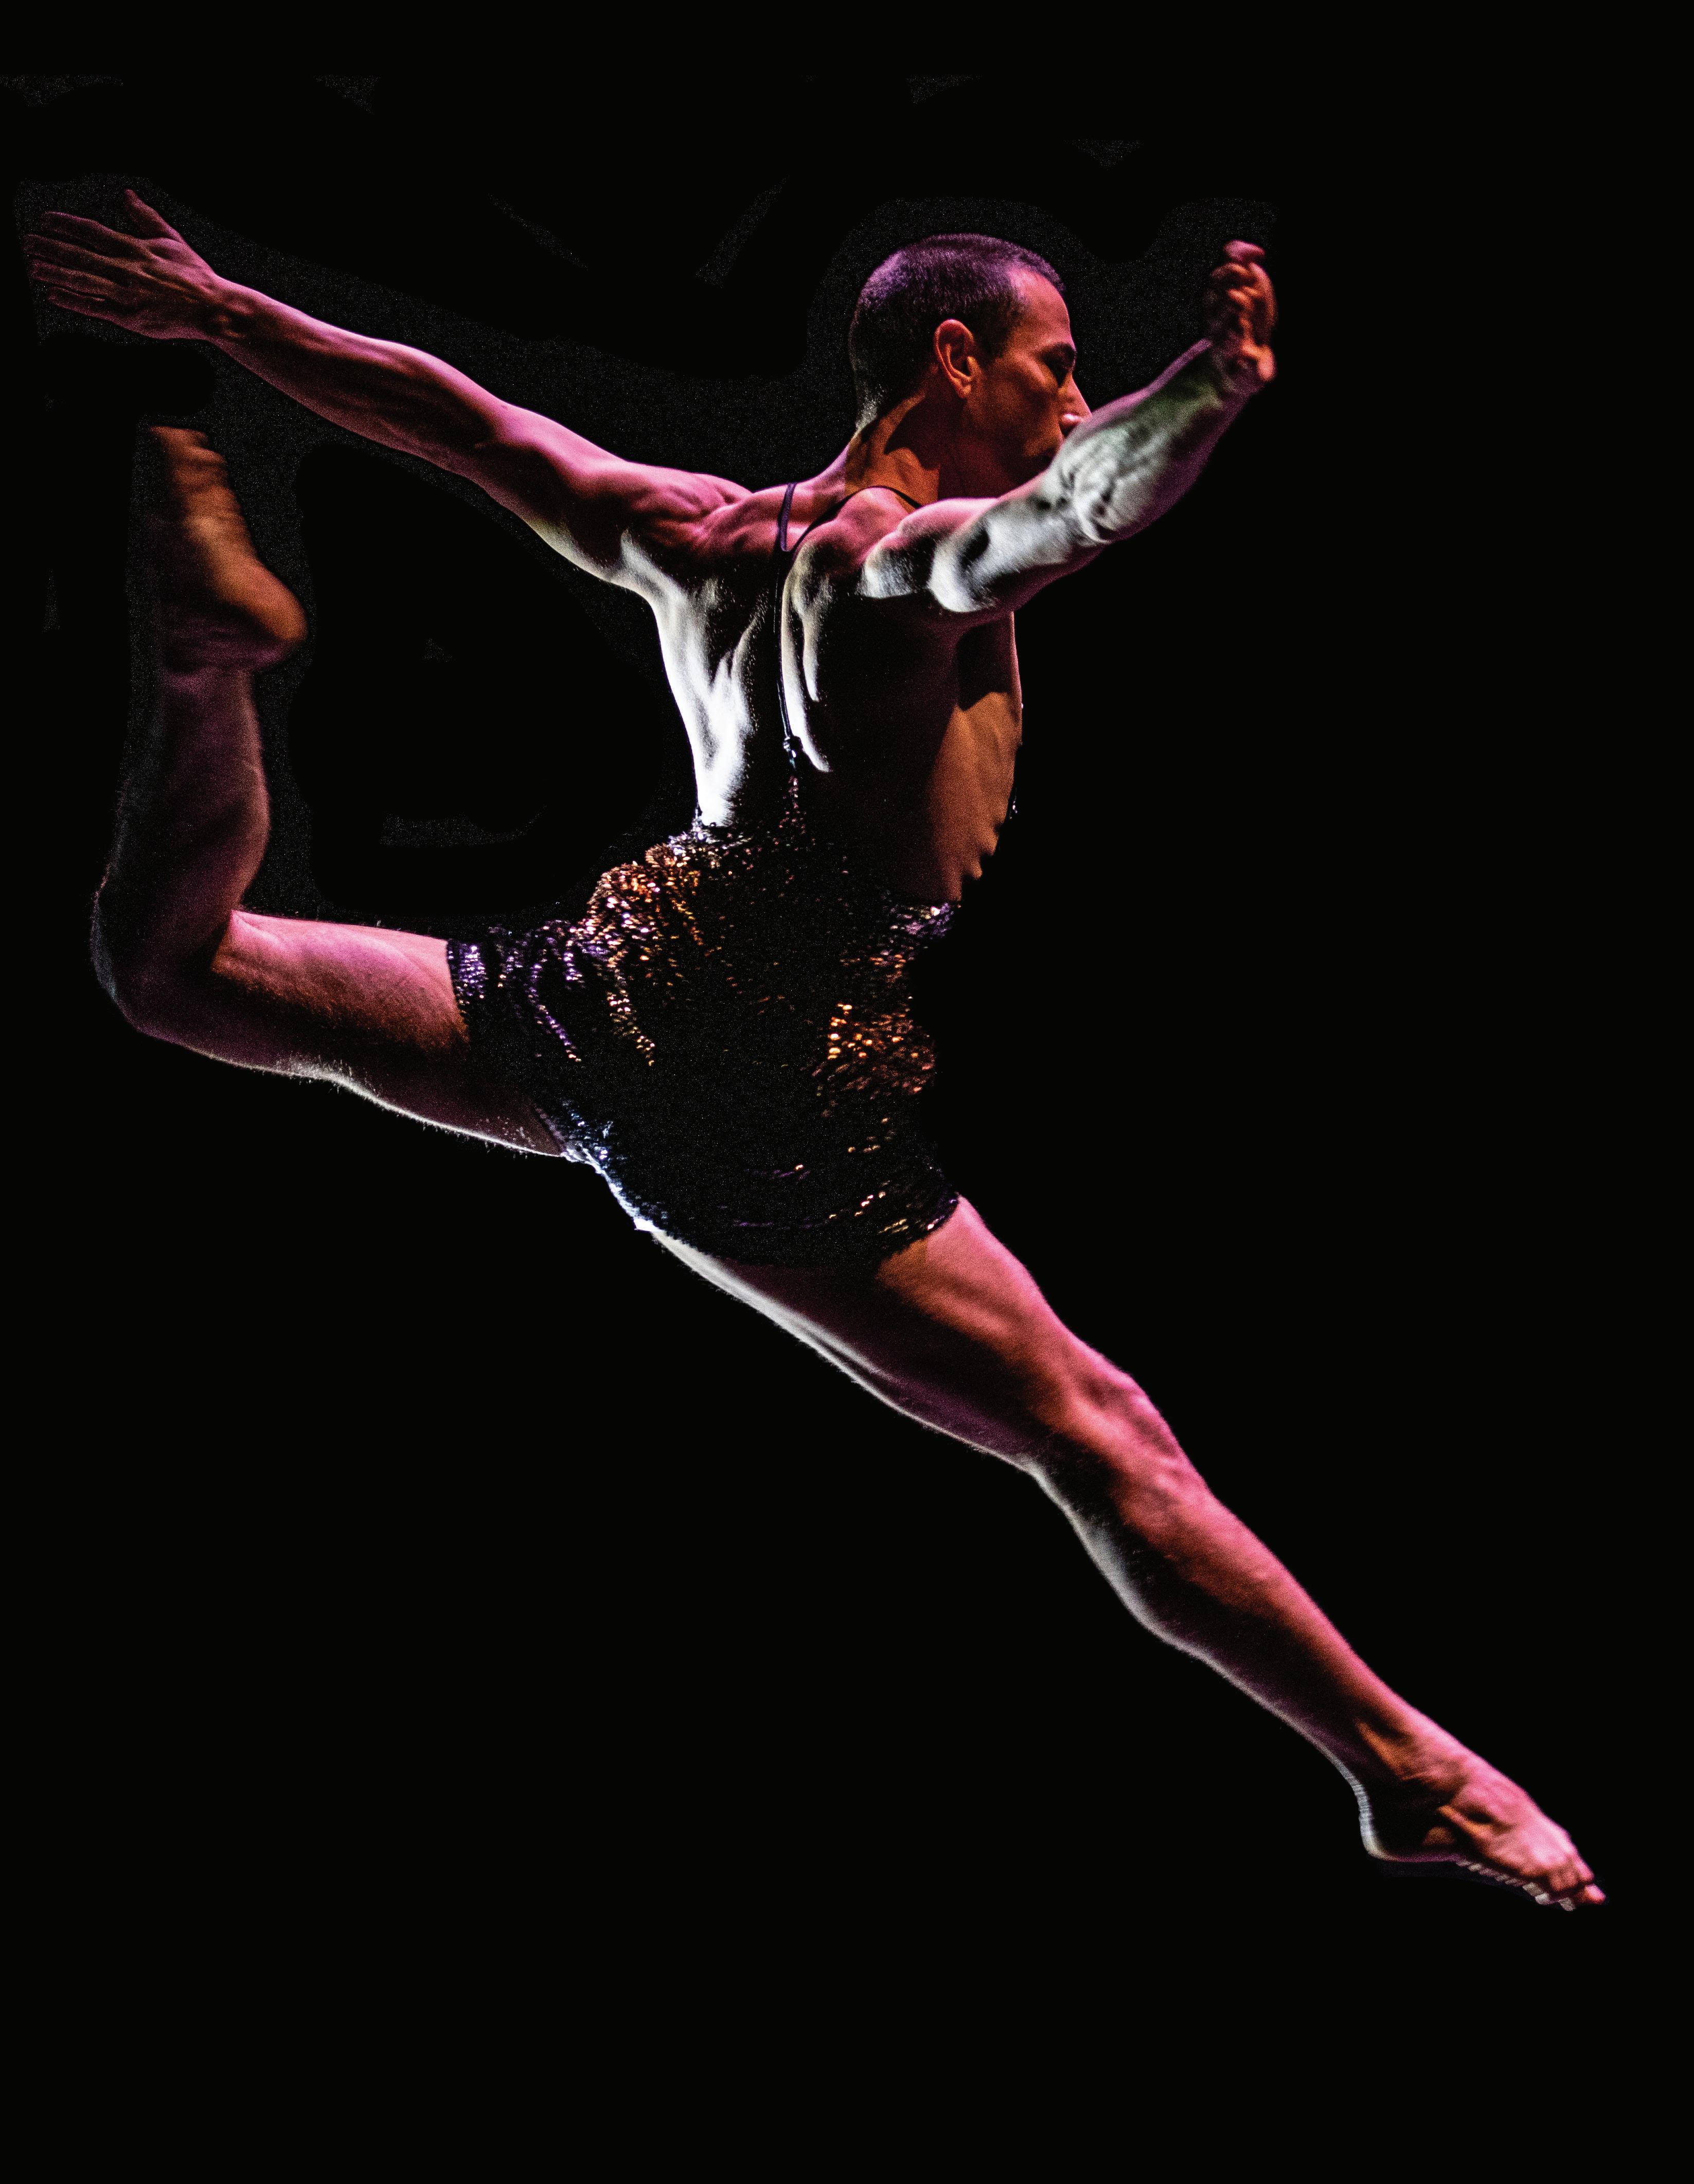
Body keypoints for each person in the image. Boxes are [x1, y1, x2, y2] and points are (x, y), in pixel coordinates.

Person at [26, 193, 1602, 1909]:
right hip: (758, 1092)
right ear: (956, 359)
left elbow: (461, 422)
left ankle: (208, 666)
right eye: (1059, 366)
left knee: (176, 969)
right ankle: (1408, 1771)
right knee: (1098, 1437)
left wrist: (223, 310)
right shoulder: (897, 575)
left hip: (597, 994)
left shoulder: (688, 529)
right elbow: (1073, 510)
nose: (1074, 401)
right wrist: (1205, 394)